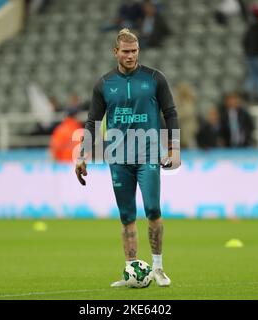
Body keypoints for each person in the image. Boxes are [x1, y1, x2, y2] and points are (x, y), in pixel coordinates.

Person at [75, 28, 180, 287]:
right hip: (118, 157)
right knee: (126, 216)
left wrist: (174, 148)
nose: (131, 55)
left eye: (134, 51)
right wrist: (82, 154)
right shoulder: (104, 84)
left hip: (148, 155)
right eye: (126, 51)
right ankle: (132, 270)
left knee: (153, 210)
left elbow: (171, 112)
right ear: (116, 52)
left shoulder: (155, 79)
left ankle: (157, 267)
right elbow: (92, 121)